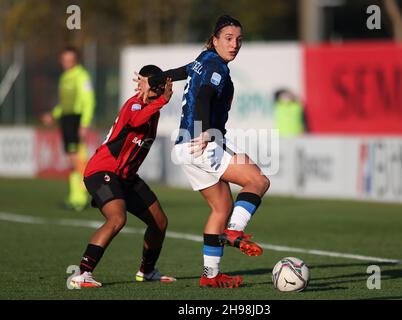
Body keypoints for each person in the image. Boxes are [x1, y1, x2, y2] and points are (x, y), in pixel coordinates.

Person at [136, 15, 270, 289]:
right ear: (215, 39)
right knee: (258, 181)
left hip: (186, 146)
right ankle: (235, 231)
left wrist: (155, 79)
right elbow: (204, 96)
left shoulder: (203, 59)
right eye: (229, 39)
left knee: (221, 207)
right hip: (202, 142)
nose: (235, 45)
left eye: (239, 40)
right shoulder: (216, 66)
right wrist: (207, 131)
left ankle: (210, 275)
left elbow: (183, 71)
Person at [69, 65, 176, 288]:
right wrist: (161, 100)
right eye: (143, 81)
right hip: (102, 171)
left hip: (126, 177)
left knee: (159, 222)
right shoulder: (135, 103)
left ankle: (147, 271)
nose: (141, 85)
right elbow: (136, 122)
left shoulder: (154, 111)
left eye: (146, 81)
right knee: (117, 219)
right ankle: (82, 274)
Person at [41, 47, 95, 211]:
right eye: (64, 60)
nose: (67, 63)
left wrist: (84, 124)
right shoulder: (65, 77)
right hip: (66, 119)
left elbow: (89, 101)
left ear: (76, 60)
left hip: (75, 120)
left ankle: (87, 192)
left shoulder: (82, 76)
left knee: (76, 158)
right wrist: (54, 114)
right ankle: (75, 197)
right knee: (72, 160)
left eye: (70, 60)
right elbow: (64, 104)